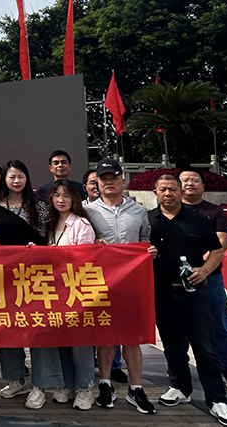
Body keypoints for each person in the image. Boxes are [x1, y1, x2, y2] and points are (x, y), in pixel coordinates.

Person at [148, 174, 227, 427]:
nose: (168, 194)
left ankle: (217, 399)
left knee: (205, 348)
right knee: (172, 345)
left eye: (172, 189)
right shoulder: (147, 220)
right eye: (163, 190)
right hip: (162, 292)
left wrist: (205, 270)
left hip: (194, 292)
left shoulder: (198, 220)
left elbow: (218, 250)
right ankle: (179, 387)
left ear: (180, 192)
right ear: (155, 193)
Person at [0, 160, 61, 409]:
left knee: (38, 329)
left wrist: (34, 250)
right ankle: (16, 378)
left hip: (36, 274)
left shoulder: (39, 204)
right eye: (12, 177)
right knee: (8, 327)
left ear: (27, 178)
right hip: (7, 276)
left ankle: (41, 384)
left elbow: (45, 237)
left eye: (20, 176)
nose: (16, 181)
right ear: (4, 180)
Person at [83, 157, 155, 414]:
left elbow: (145, 237)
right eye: (103, 179)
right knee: (105, 334)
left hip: (132, 281)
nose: (109, 183)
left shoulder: (138, 210)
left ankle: (136, 388)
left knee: (132, 336)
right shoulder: (87, 211)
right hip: (101, 282)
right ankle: (105, 384)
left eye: (113, 178)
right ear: (97, 184)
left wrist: (149, 251)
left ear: (123, 181)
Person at [179, 167, 227, 391]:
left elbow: (222, 242)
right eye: (185, 180)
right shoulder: (170, 211)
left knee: (219, 324)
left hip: (210, 277)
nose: (190, 183)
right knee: (180, 326)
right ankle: (179, 368)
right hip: (178, 278)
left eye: (195, 180)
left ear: (203, 186)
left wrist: (203, 267)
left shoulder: (214, 211)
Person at [45, 180, 97, 411]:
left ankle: (85, 387)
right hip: (54, 291)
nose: (61, 200)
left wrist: (57, 256)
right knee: (62, 340)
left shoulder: (81, 224)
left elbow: (85, 259)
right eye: (56, 195)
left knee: (80, 341)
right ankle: (66, 384)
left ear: (74, 198)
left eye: (66, 195)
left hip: (76, 290)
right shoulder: (50, 223)